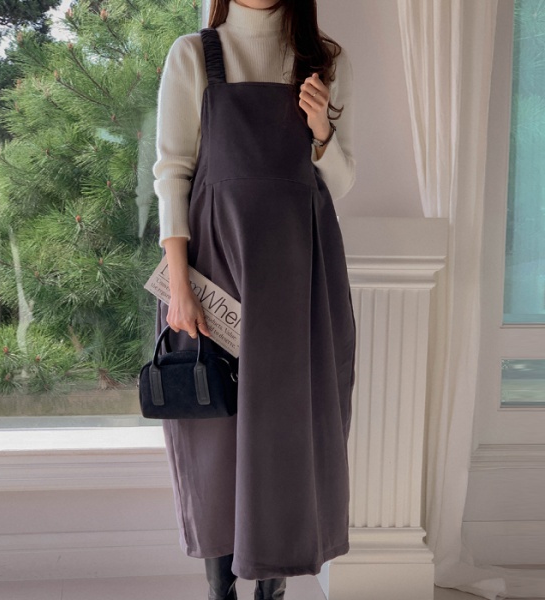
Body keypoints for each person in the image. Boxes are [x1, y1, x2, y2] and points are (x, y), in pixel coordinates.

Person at [152, 0, 357, 598]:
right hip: (215, 267)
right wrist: (179, 283)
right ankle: (220, 592)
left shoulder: (323, 59)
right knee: (215, 431)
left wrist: (322, 131)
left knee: (288, 431)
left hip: (300, 272)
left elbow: (341, 183)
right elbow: (173, 172)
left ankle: (273, 591)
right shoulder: (193, 54)